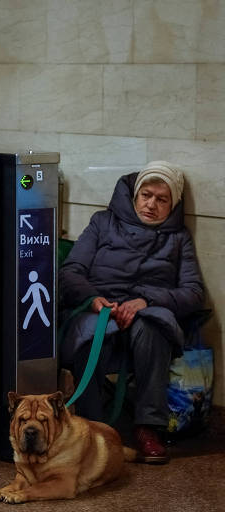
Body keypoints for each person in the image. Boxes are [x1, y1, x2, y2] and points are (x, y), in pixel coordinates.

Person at [59, 161, 204, 464]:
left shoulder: (179, 239)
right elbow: (71, 271)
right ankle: (91, 428)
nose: (151, 204)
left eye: (161, 199)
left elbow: (192, 293)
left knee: (152, 328)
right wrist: (94, 299)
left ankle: (148, 427)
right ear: (134, 195)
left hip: (146, 315)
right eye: (146, 195)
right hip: (100, 310)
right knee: (89, 339)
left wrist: (145, 301)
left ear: (173, 204)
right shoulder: (102, 222)